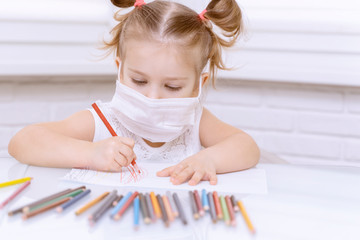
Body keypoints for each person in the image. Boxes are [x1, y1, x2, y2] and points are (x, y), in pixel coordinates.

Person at [8, 0, 260, 186]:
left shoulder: (195, 120)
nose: (152, 97)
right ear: (120, 70)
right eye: (139, 81)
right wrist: (90, 154)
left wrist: (210, 160)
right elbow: (22, 142)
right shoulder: (103, 119)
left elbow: (247, 147)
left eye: (172, 87)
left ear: (198, 84)